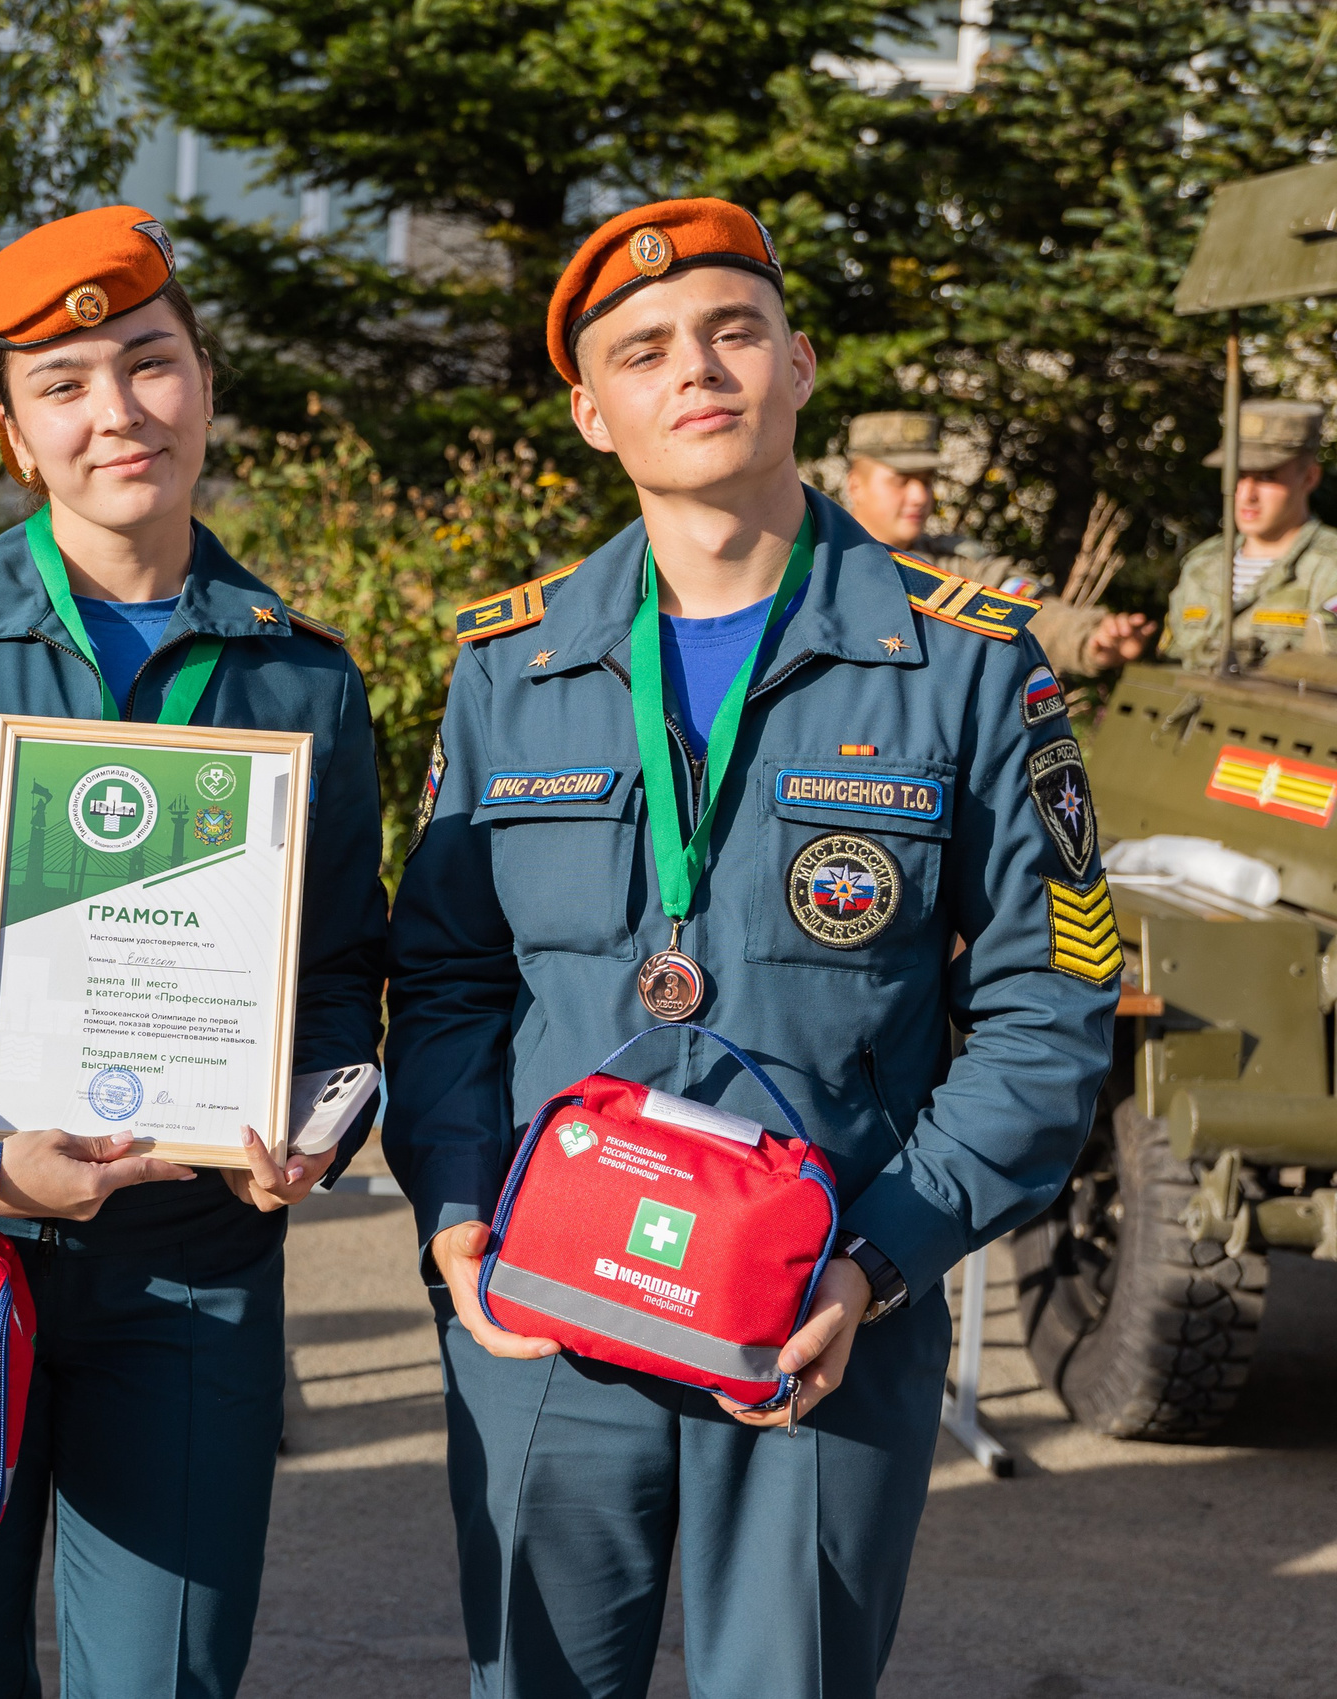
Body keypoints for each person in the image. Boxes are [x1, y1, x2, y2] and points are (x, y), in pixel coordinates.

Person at [385, 198, 1115, 1698]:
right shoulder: (509, 667)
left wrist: (881, 1257)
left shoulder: (969, 664)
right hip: (547, 1317)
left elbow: (1053, 1006)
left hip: (816, 1319)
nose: (695, 367)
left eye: (732, 330)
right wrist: (456, 1202)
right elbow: (450, 980)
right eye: (643, 350)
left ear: (800, 362)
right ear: (595, 413)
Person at [0, 205, 388, 1698]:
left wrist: (314, 1129)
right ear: (15, 437)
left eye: (150, 362)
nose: (119, 412)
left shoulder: (303, 673)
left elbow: (345, 969)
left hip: (194, 1257)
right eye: (65, 385)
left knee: (165, 1672)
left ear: (205, 381)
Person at [841, 410, 1152, 675]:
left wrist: (1091, 637)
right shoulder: (815, 560)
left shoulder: (954, 567)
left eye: (926, 481)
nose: (920, 497)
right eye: (902, 480)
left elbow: (1025, 610)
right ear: (856, 485)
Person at [1164, 399, 1337, 670]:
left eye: (1267, 477)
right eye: (1239, 475)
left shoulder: (1330, 571)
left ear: (1310, 477)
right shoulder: (1201, 566)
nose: (1246, 494)